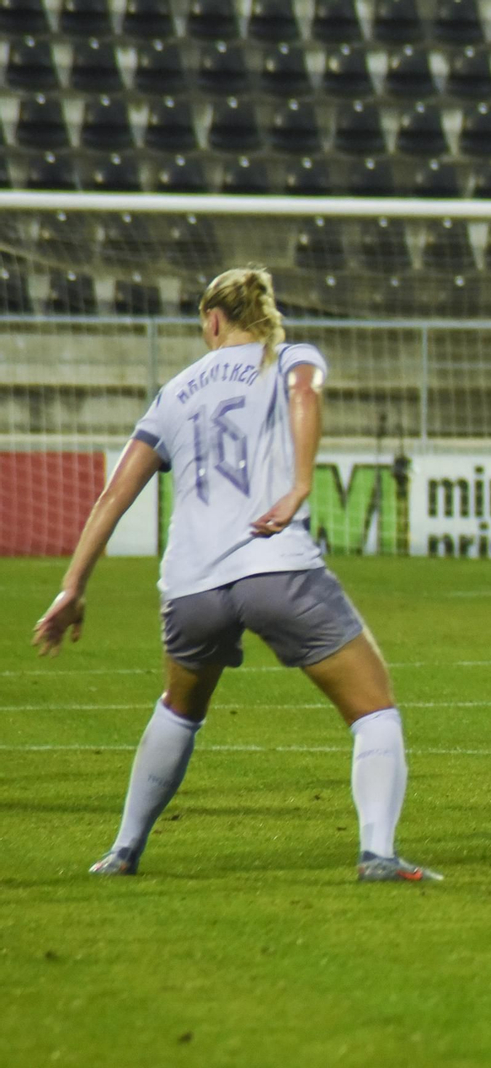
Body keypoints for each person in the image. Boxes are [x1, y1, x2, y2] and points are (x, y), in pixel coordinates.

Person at [31, 266, 439, 882]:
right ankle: (377, 854)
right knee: (374, 708)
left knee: (178, 709)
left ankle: (123, 851)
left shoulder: (174, 391)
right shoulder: (290, 356)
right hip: (272, 565)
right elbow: (307, 393)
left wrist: (72, 587)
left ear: (213, 319)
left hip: (191, 584)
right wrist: (301, 483)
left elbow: (112, 495)